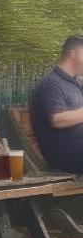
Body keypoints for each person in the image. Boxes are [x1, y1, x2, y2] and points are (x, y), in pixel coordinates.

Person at [31, 35, 83, 173]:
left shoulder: (74, 84)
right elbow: (57, 120)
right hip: (66, 155)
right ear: (74, 54)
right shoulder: (52, 83)